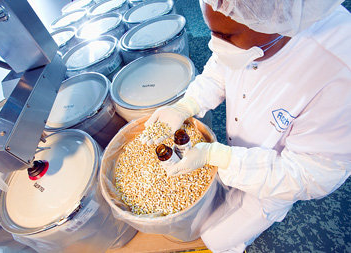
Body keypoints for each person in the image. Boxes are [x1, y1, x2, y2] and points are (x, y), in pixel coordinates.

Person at [142, 0, 351, 252]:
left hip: (275, 185)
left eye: (225, 36)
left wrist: (222, 158)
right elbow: (221, 66)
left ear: (277, 25)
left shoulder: (339, 72)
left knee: (218, 239)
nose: (214, 44)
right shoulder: (247, 29)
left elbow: (313, 174)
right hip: (236, 147)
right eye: (211, 31)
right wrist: (188, 104)